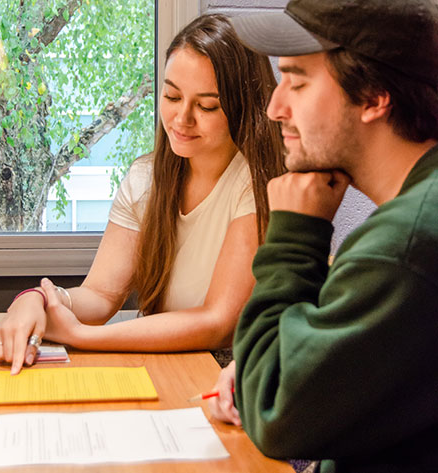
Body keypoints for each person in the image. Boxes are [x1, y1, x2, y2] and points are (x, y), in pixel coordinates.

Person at [208, 1, 438, 472]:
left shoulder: (405, 245)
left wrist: (294, 234)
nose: (275, 107)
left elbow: (276, 412)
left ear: (374, 96)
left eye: (297, 81)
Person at [0, 13, 285, 375]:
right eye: (172, 96)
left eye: (206, 106)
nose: (181, 119)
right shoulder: (146, 178)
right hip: (165, 367)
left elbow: (217, 322)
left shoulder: (259, 183)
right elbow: (100, 295)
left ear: (243, 107)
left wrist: (82, 336)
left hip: (232, 376)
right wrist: (39, 299)